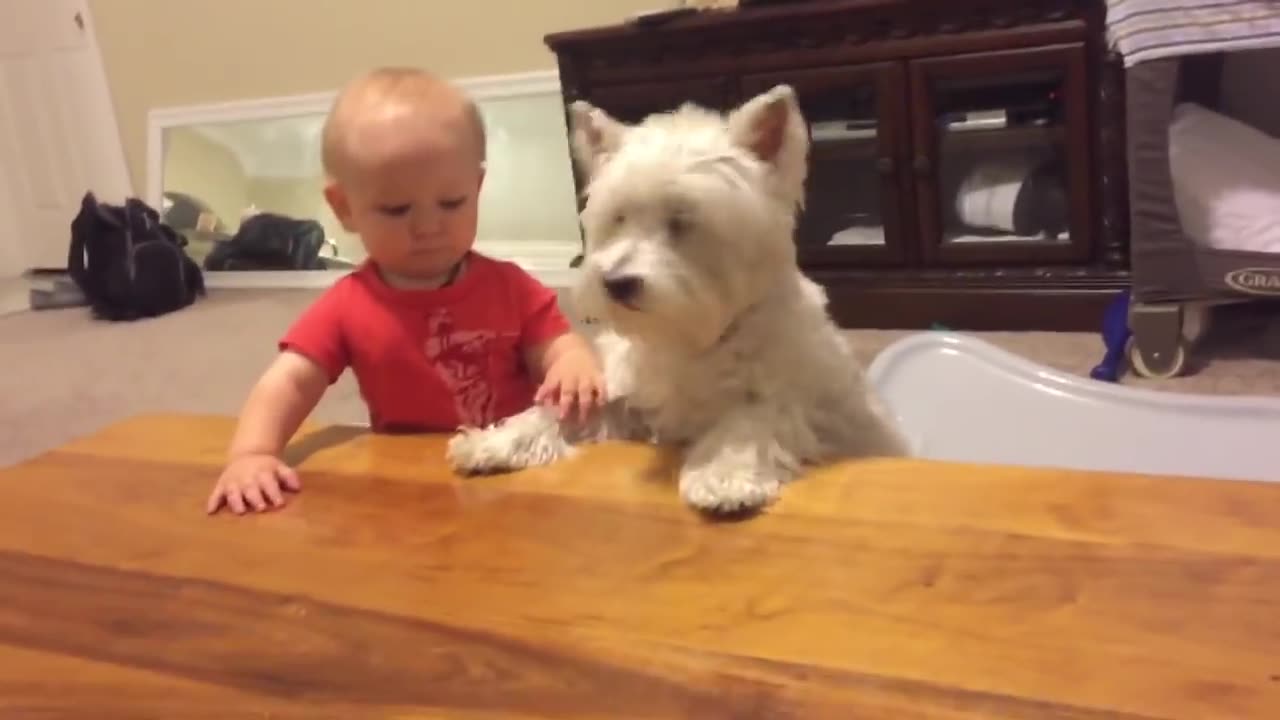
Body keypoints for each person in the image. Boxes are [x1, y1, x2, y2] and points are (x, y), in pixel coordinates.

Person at [207, 67, 604, 515]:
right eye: (396, 210)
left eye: (451, 203)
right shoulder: (347, 305)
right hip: (406, 479)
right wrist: (253, 453)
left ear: (476, 187)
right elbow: (288, 381)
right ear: (344, 208)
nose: (428, 227)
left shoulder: (510, 286)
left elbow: (555, 345)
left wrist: (573, 362)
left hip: (516, 462)